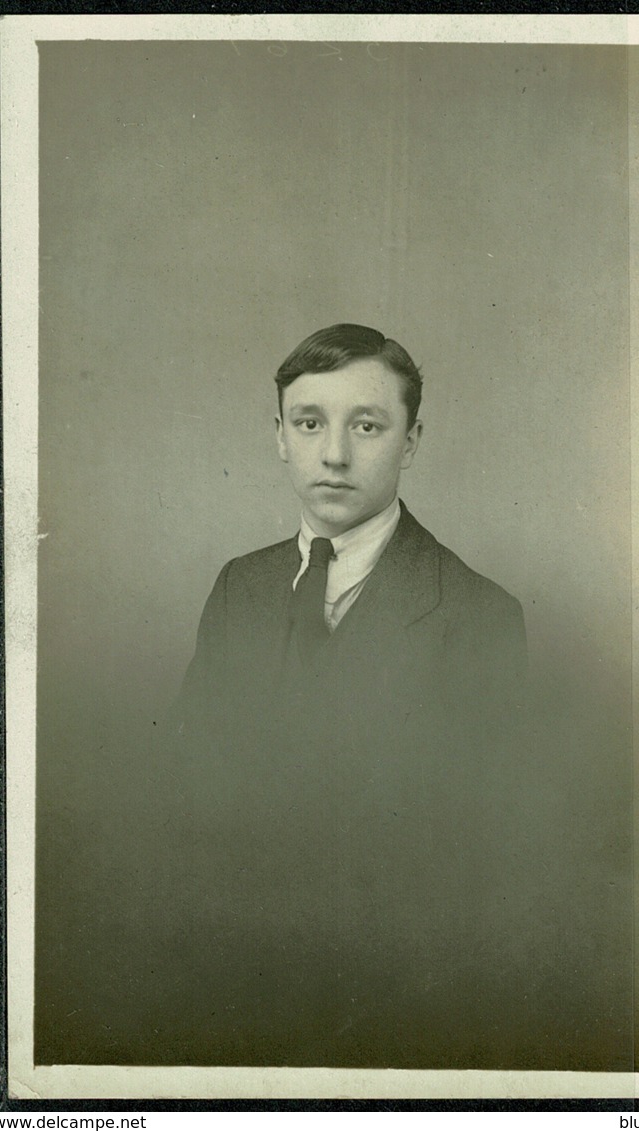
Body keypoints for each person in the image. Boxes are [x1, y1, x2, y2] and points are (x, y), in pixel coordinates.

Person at [160, 324, 536, 1068]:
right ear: (279, 436)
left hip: (393, 1007)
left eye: (367, 425)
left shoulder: (479, 615)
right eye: (309, 423)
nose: (334, 454)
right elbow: (182, 793)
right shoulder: (240, 587)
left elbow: (480, 862)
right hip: (226, 987)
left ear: (412, 439)